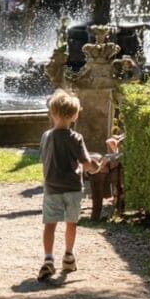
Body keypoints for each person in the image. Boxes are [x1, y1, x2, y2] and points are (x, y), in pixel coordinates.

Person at [36, 89, 101, 281]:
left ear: (52, 113)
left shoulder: (46, 136)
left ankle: (48, 258)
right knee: (71, 223)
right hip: (72, 188)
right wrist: (96, 166)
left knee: (50, 224)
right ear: (75, 115)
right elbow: (87, 163)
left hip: (52, 187)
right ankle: (68, 255)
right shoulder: (76, 138)